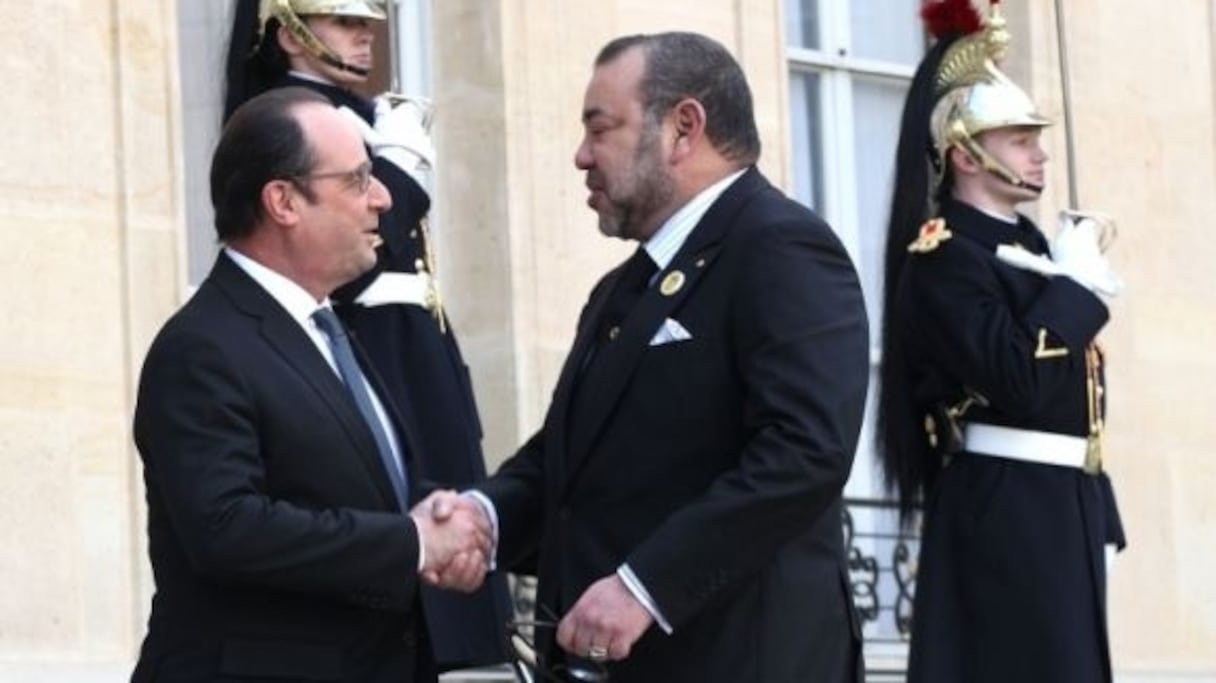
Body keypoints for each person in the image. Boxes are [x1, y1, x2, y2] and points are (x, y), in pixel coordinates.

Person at [461, 31, 869, 682]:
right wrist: (480, 519)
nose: (581, 156)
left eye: (601, 129)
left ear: (684, 128)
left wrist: (644, 586)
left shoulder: (781, 247)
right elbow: (571, 465)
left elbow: (804, 452)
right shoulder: (623, 287)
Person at [130, 87, 490, 682]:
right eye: (358, 180)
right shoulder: (203, 346)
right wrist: (412, 543)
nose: (382, 199)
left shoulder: (327, 330)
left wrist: (453, 518)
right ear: (283, 201)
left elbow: (353, 484)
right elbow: (227, 528)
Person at [222, 0, 514, 671]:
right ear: (287, 26)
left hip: (413, 349)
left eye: (367, 22)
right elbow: (359, 259)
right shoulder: (285, 119)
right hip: (370, 348)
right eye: (342, 21)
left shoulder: (359, 113)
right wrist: (401, 165)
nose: (364, 35)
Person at [876, 2, 1126, 682]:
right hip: (1006, 502)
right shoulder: (945, 258)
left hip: (1057, 497)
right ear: (965, 153)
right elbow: (1018, 376)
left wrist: (1097, 505)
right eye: (1019, 139)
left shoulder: (1028, 248)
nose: (1039, 152)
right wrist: (1074, 290)